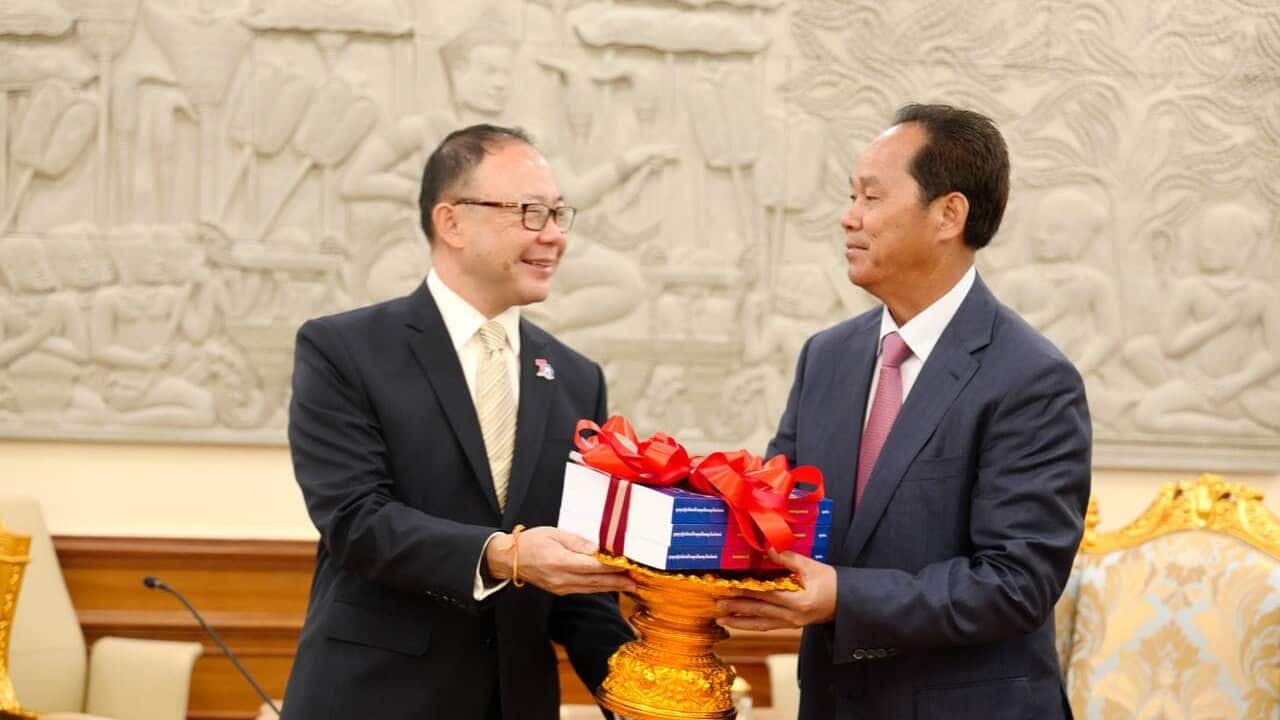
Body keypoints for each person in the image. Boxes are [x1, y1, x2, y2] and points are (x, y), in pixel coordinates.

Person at [717, 104, 1091, 719]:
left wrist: (844, 596)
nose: (848, 217)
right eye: (850, 196)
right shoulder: (827, 356)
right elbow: (774, 506)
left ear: (949, 214)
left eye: (870, 197)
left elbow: (1016, 583)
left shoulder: (1033, 378)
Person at [281, 124, 636, 720]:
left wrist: (644, 694)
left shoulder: (577, 378)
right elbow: (355, 519)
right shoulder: (343, 349)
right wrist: (505, 554)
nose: (553, 235)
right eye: (528, 212)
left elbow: (580, 587)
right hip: (372, 697)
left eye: (557, 214)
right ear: (451, 223)